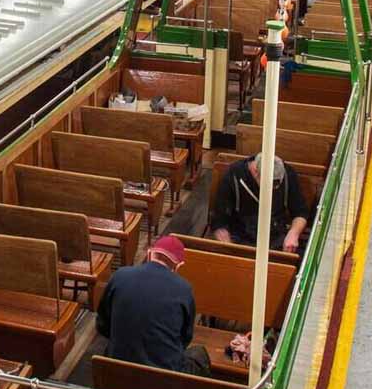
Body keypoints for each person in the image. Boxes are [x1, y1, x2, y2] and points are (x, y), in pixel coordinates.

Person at [96, 236, 210, 375]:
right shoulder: (184, 289)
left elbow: (102, 325)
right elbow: (185, 338)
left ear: (150, 253)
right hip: (162, 379)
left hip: (118, 371)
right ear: (178, 266)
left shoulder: (120, 275)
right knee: (199, 354)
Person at [211, 153, 309, 253]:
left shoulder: (288, 174)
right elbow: (220, 221)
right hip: (240, 240)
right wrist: (228, 246)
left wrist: (293, 233)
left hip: (276, 239)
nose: (271, 190)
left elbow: (300, 212)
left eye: (276, 185)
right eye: (268, 184)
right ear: (255, 172)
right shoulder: (234, 175)